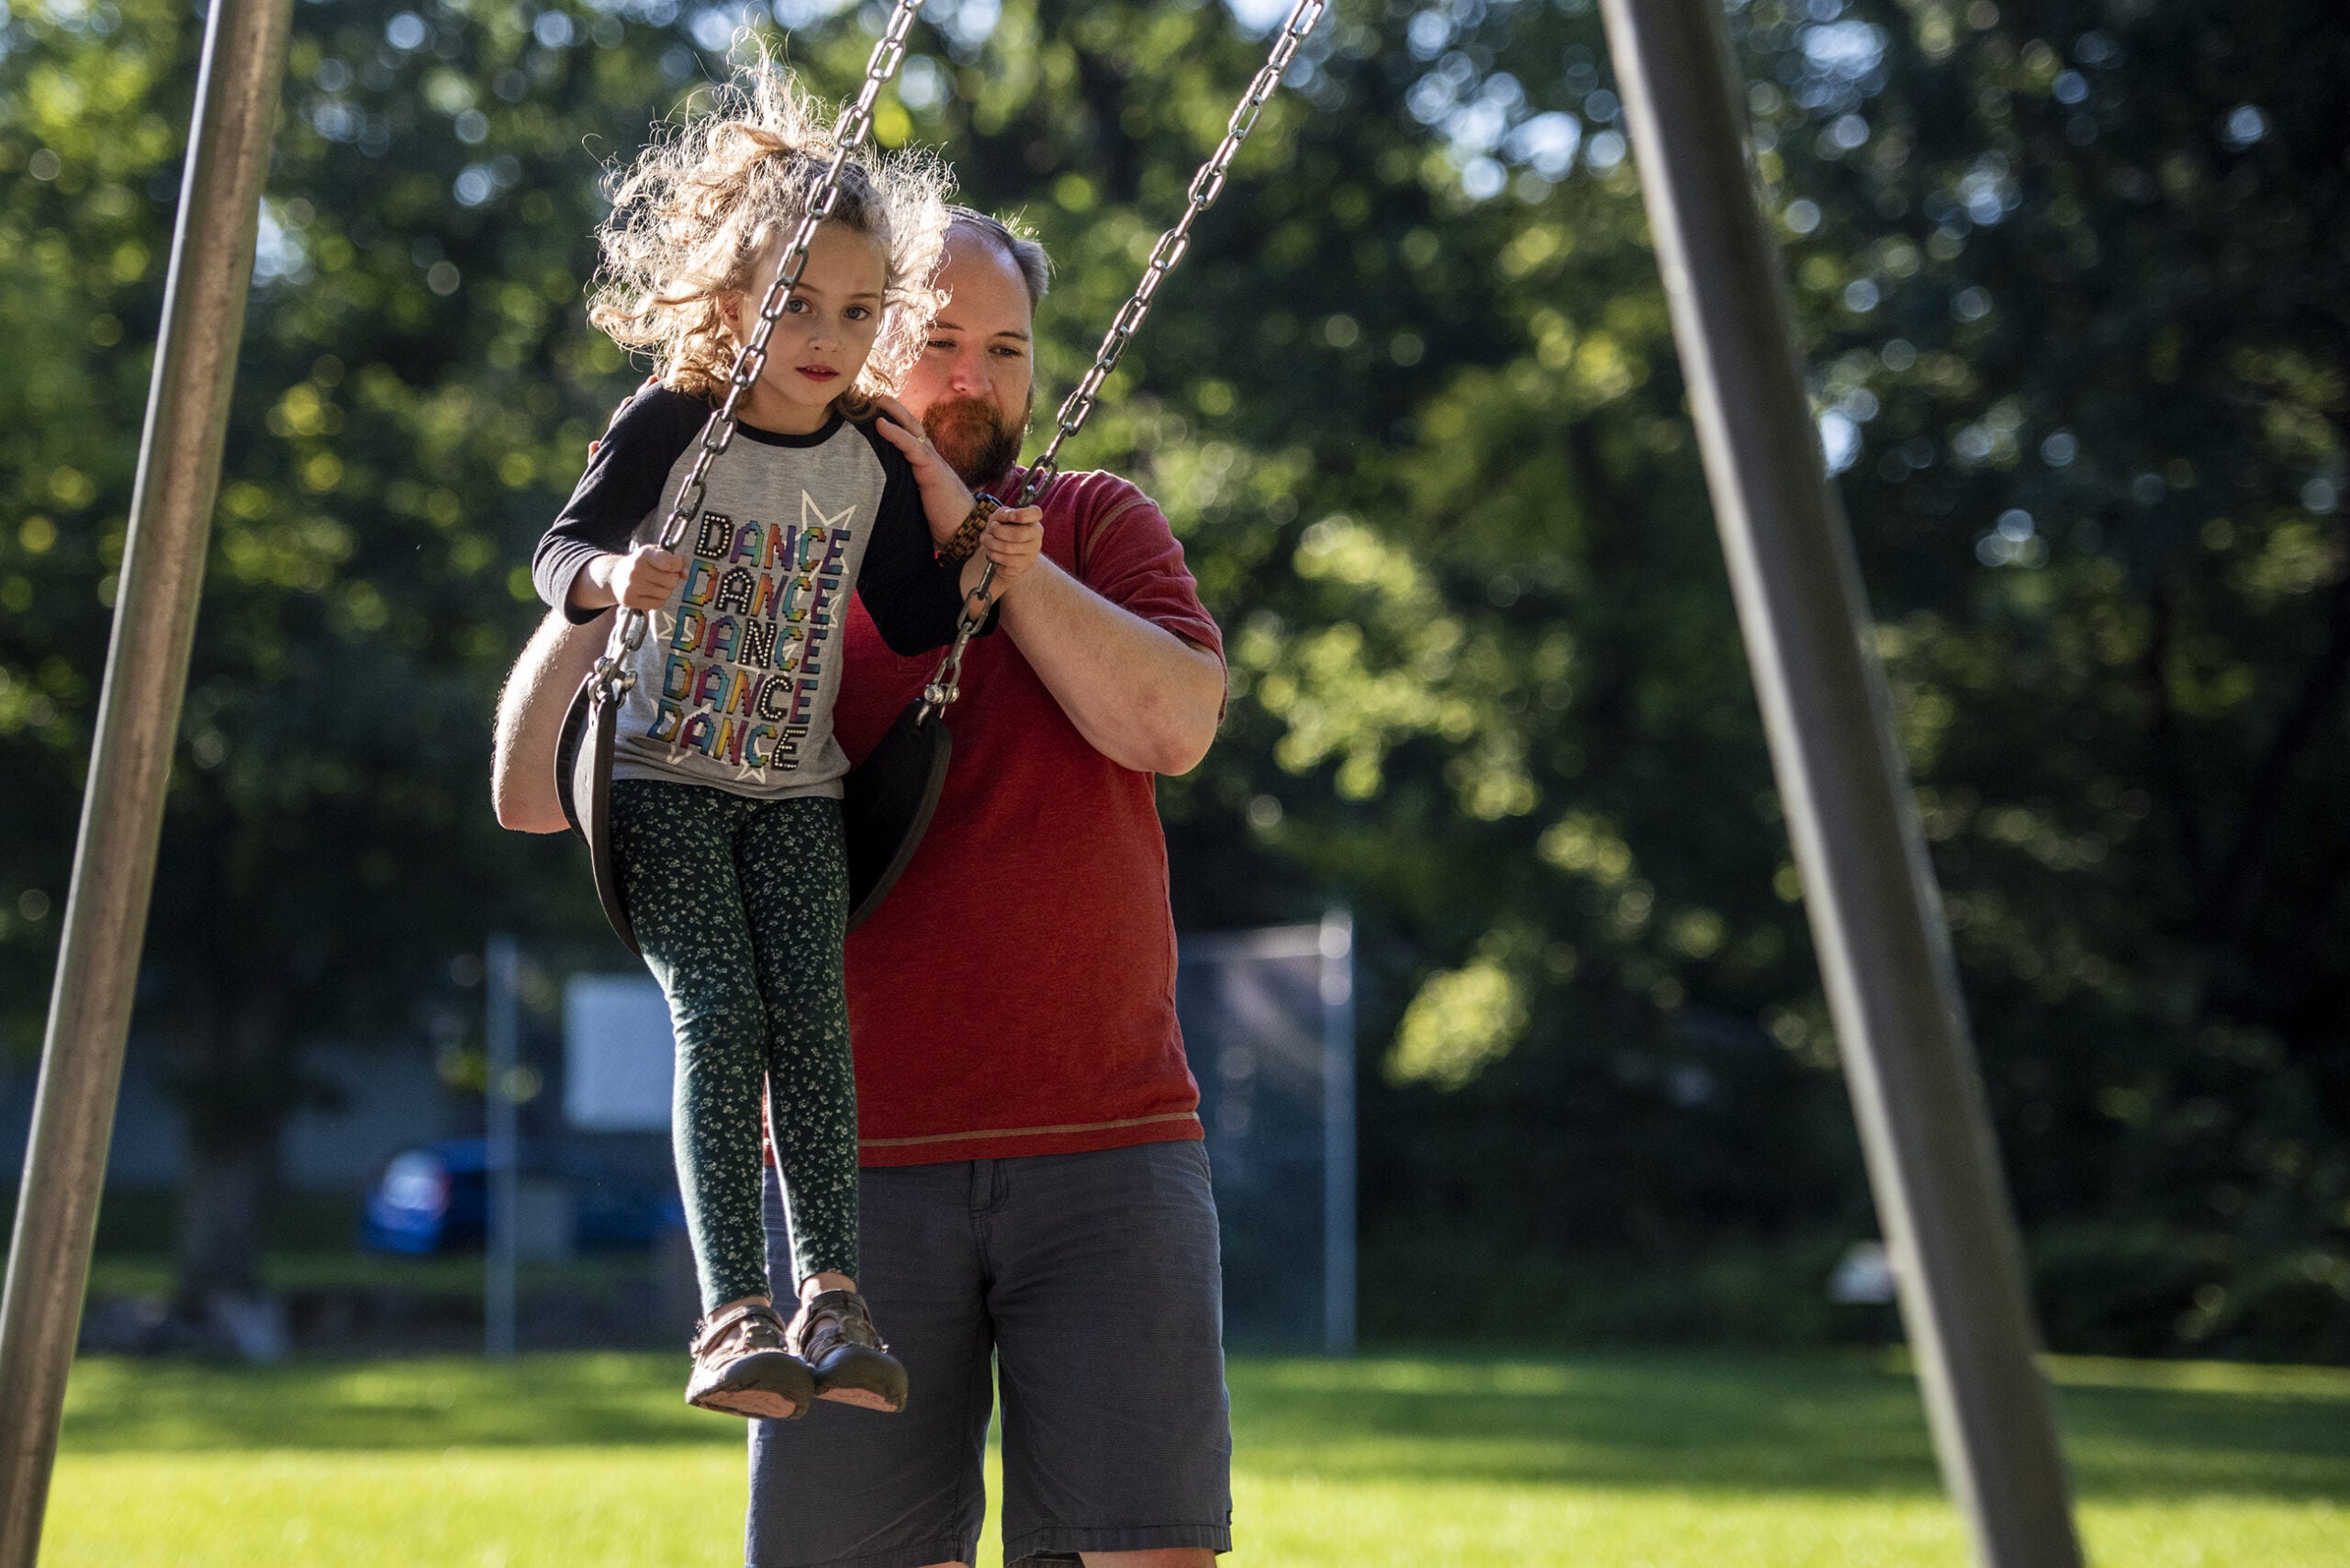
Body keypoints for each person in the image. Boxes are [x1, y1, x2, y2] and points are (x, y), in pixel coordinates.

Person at [492, 209, 1230, 1566]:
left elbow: (1172, 725)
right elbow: (536, 796)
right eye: (937, 340)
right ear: (844, 344)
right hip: (860, 1166)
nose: (974, 378)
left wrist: (984, 555)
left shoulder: (1090, 521)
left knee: (1149, 1546)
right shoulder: (776, 531)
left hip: (1108, 1140)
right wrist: (607, 569)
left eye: (1006, 348)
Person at [527, 67, 1045, 1423]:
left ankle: (833, 1296)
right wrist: (612, 582)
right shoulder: (672, 423)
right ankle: (730, 1312)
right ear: (732, 297)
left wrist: (982, 562)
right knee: (722, 1012)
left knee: (813, 1019)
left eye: (859, 313)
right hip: (661, 777)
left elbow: (911, 614)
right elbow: (557, 551)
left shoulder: (867, 453)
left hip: (794, 790)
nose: (826, 335)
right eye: (797, 303)